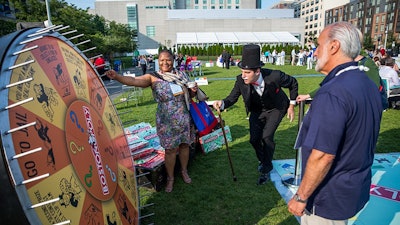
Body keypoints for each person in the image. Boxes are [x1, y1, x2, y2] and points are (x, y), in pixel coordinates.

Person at [288, 22, 383, 224]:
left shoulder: (333, 92)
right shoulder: (366, 82)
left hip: (328, 196)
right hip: (351, 188)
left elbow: (322, 154)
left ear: (334, 46)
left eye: (319, 46)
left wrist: (301, 196)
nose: (314, 53)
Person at [106, 49, 198, 193]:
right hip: (166, 119)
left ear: (173, 60)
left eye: (167, 59)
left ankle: (184, 171)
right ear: (157, 61)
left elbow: (190, 93)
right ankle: (170, 178)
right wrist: (117, 77)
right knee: (170, 149)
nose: (164, 62)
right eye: (161, 60)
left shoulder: (181, 74)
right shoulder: (153, 77)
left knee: (185, 145)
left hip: (183, 116)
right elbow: (134, 81)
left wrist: (193, 90)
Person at [212, 44, 298, 185]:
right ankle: (263, 159)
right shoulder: (240, 80)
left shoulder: (275, 76)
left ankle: (266, 167)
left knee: (267, 136)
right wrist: (221, 103)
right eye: (242, 72)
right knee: (254, 139)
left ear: (257, 71)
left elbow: (293, 83)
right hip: (257, 111)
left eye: (247, 73)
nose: (243, 76)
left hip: (276, 108)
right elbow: (232, 98)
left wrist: (292, 105)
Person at [296, 28, 388, 110]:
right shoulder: (343, 65)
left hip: (363, 109)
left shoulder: (367, 64)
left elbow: (372, 89)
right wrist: (309, 96)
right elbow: (330, 86)